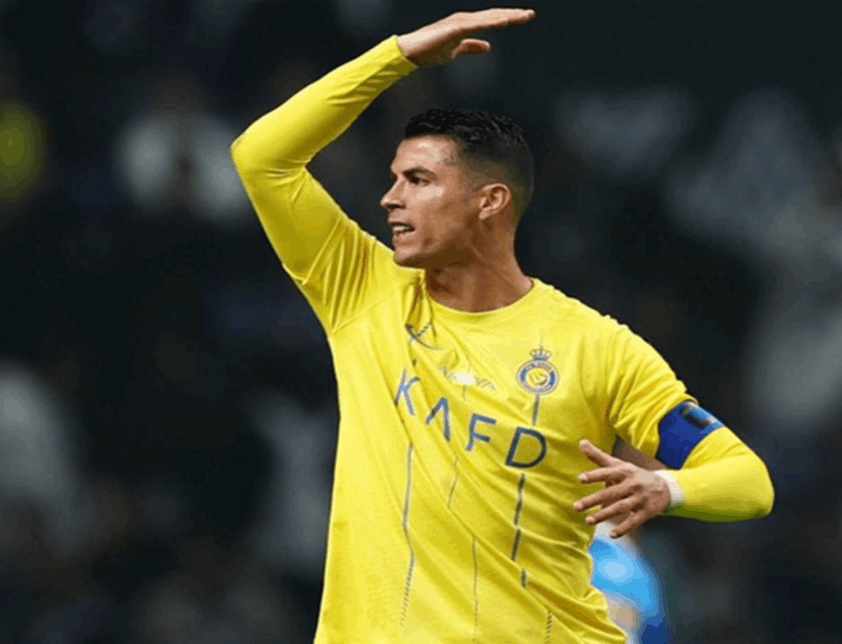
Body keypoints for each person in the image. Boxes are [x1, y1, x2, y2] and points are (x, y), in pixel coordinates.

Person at [231, 8, 773, 642]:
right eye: (394, 179)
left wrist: (666, 487)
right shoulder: (361, 291)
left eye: (418, 180)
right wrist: (395, 59)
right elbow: (261, 158)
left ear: (489, 201)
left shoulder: (598, 349)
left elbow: (748, 481)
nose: (390, 198)